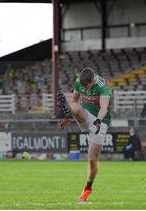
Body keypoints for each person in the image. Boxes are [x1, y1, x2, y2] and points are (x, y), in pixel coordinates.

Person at [56, 67, 112, 202]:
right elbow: (74, 100)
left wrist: (98, 121)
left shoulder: (103, 88)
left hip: (101, 120)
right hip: (84, 113)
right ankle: (66, 111)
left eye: (86, 86)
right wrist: (68, 117)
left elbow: (104, 108)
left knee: (92, 160)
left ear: (92, 81)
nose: (84, 88)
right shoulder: (79, 82)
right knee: (74, 106)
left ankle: (87, 188)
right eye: (82, 86)